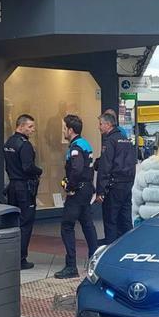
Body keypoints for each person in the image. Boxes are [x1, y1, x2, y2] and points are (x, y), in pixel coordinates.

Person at [55, 114, 99, 279]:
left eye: (64, 128)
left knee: (67, 226)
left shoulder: (75, 147)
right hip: (86, 190)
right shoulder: (85, 143)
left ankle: (71, 266)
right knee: (87, 224)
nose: (63, 131)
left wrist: (70, 186)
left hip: (78, 192)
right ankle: (95, 260)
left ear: (70, 130)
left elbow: (77, 169)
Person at [3, 114, 43, 270]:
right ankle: (21, 258)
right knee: (26, 223)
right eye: (30, 126)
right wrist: (39, 171)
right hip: (24, 188)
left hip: (12, 185)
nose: (33, 130)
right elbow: (28, 167)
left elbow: (8, 166)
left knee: (12, 221)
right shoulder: (24, 144)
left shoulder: (9, 142)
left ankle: (9, 255)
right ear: (20, 126)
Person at [96, 112, 137, 242]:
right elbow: (132, 162)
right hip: (126, 184)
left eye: (101, 124)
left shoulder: (110, 141)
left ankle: (110, 246)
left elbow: (105, 166)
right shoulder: (126, 140)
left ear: (108, 125)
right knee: (125, 218)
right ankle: (128, 244)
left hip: (114, 186)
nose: (99, 127)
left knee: (110, 218)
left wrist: (100, 190)